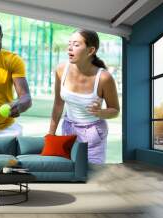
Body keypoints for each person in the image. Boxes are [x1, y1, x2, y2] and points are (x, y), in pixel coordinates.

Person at [48, 29, 120, 164]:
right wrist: (51, 134)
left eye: (76, 44)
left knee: (91, 173)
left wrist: (101, 112)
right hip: (68, 129)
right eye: (69, 44)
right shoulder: (61, 69)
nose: (69, 48)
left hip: (93, 132)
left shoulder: (104, 78)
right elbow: (58, 104)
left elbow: (115, 110)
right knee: (69, 171)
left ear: (91, 50)